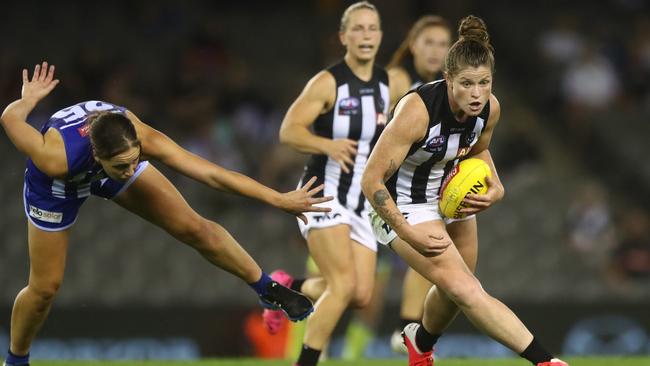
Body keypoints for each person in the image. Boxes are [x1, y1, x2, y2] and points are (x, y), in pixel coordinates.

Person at [0, 62, 332, 366]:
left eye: (136, 159)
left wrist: (276, 198)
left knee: (195, 228)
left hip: (105, 167)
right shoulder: (54, 158)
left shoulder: (139, 138)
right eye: (123, 164)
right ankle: (16, 360)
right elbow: (9, 118)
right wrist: (27, 100)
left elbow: (211, 174)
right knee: (44, 288)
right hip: (57, 189)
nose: (133, 168)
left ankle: (267, 289)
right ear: (98, 156)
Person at [361, 15, 568, 366]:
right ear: (447, 80)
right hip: (403, 205)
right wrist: (408, 233)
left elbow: (477, 151)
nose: (476, 94)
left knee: (453, 288)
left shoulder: (490, 109)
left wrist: (496, 187)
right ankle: (546, 361)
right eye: (467, 84)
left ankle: (420, 343)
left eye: (484, 83)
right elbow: (371, 180)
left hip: (449, 198)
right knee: (466, 289)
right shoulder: (417, 110)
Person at [262, 2, 390, 366]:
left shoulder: (384, 83)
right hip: (323, 193)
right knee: (343, 285)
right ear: (343, 36)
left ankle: (286, 288)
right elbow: (289, 131)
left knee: (362, 294)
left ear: (380, 36)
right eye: (358, 29)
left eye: (372, 29)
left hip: (360, 203)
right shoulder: (328, 82)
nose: (366, 36)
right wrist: (326, 144)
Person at [385, 14, 452, 354]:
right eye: (428, 43)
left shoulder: (447, 89)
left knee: (431, 249)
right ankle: (290, 285)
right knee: (355, 291)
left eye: (443, 44)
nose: (435, 51)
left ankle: (405, 329)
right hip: (371, 189)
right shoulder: (398, 80)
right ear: (412, 46)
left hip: (413, 191)